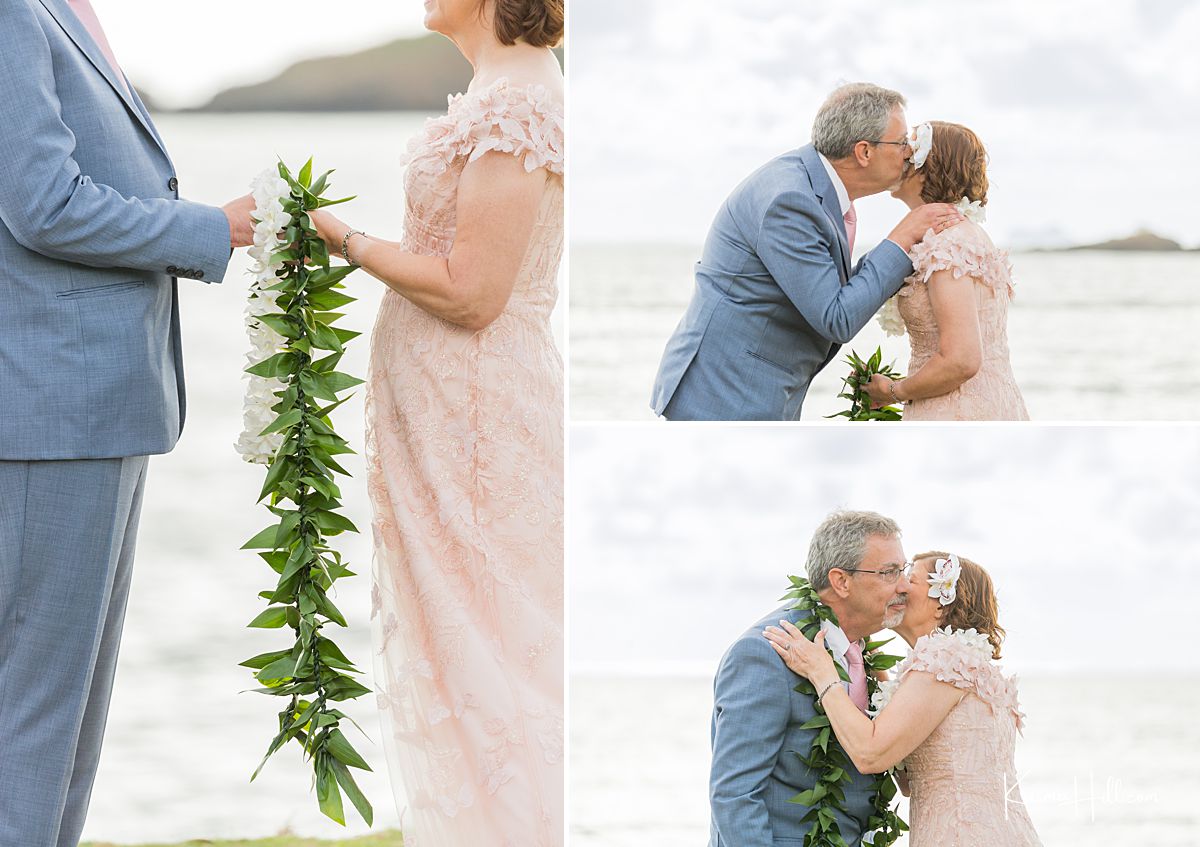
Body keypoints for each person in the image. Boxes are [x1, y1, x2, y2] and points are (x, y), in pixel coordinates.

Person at [307, 0, 564, 842]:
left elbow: (471, 292)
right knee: (458, 650)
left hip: (477, 421)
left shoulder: (519, 102)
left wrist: (341, 237)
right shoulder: (496, 89)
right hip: (444, 415)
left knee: (492, 648)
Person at [0, 2, 255, 846]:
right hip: (54, 409)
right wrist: (209, 229)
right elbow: (42, 203)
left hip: (103, 403)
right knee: (35, 723)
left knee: (69, 727)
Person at [650, 82, 964, 421]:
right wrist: (902, 238)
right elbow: (836, 317)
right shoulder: (790, 200)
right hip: (724, 395)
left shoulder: (813, 184)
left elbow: (827, 289)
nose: (909, 152)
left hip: (751, 387)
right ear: (864, 152)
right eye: (902, 142)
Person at [766, 552, 1043, 846]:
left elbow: (870, 753)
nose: (898, 586)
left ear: (941, 604)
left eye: (909, 578)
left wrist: (821, 672)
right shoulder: (965, 663)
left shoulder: (944, 660)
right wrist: (873, 668)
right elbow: (912, 781)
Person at [707, 510, 912, 847]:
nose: (904, 585)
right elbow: (734, 796)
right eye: (890, 572)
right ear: (841, 581)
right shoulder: (764, 654)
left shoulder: (864, 653)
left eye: (902, 570)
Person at [864, 122, 1029, 419]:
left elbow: (961, 360)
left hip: (954, 411)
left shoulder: (947, 244)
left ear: (931, 167)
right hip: (991, 402)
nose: (901, 158)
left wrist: (893, 391)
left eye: (910, 151)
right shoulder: (964, 235)